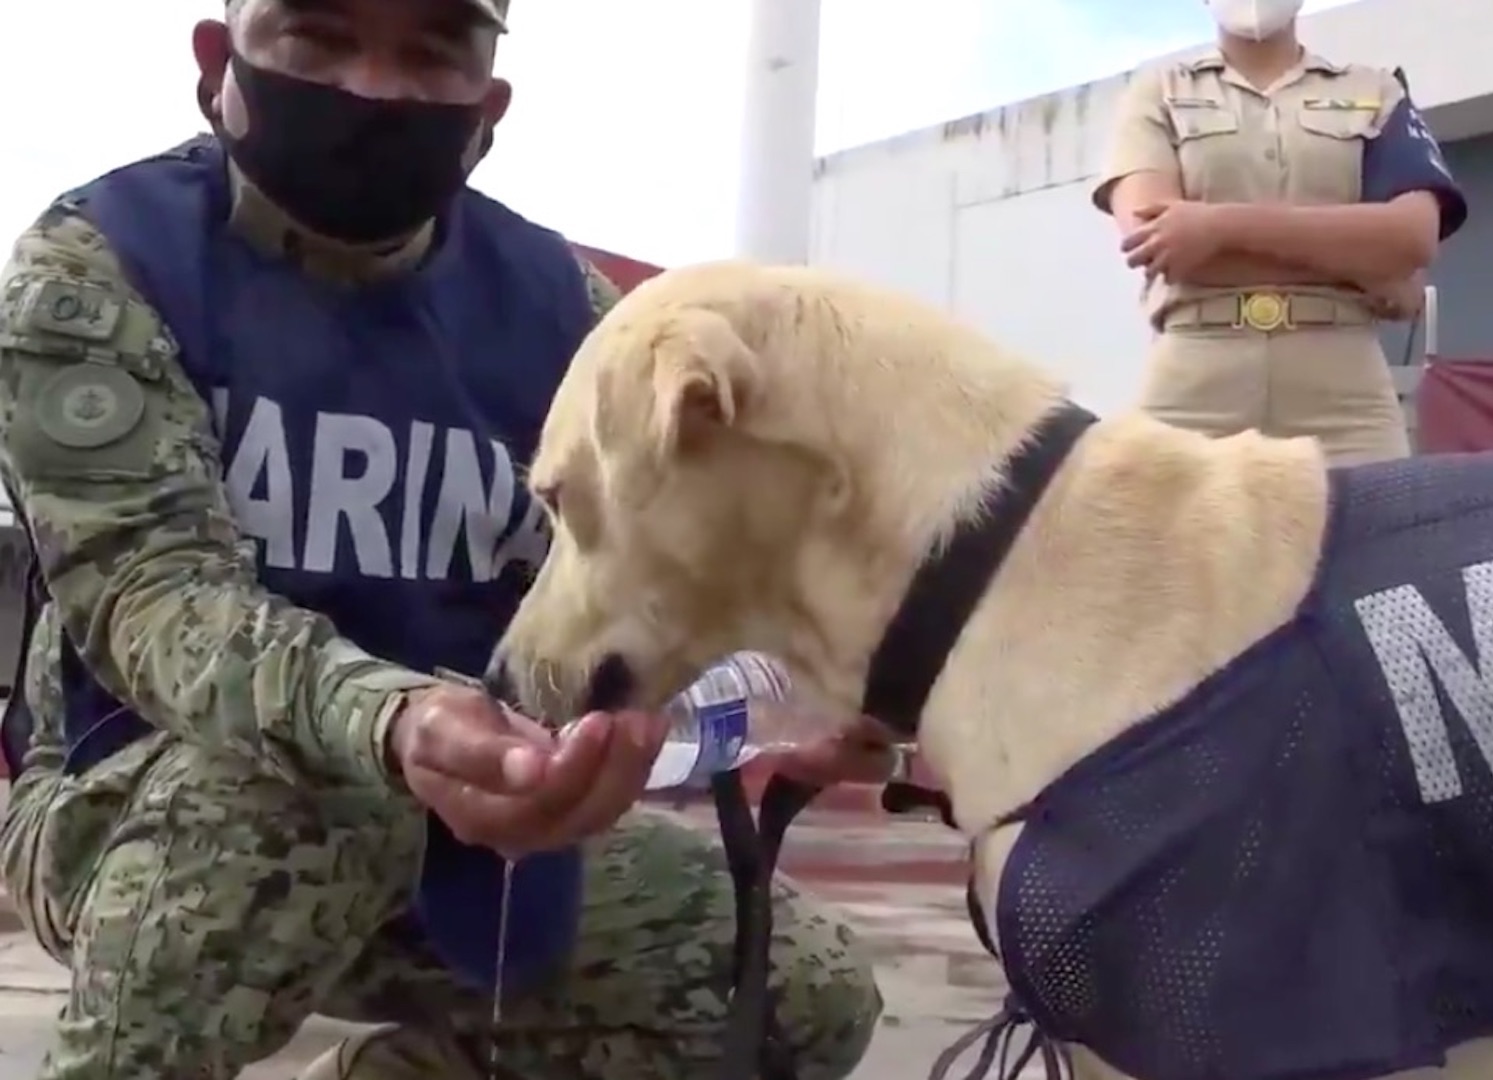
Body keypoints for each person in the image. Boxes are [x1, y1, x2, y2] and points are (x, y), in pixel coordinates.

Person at [0, 1, 883, 1077]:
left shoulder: (566, 313)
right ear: (216, 61)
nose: (373, 88)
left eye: (430, 52)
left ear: (488, 109)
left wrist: (791, 695)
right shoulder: (104, 266)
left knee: (798, 994)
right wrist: (399, 722)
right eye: (317, 36)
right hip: (134, 805)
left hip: (469, 821)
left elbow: (664, 574)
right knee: (310, 786)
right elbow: (154, 596)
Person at [1092, 0, 1468, 463]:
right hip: (1192, 381)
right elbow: (1157, 243)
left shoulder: (1375, 90)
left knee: (1377, 511)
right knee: (1140, 506)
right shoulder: (1157, 91)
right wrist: (1360, 258)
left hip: (1346, 396)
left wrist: (1217, 227)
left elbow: (1411, 237)